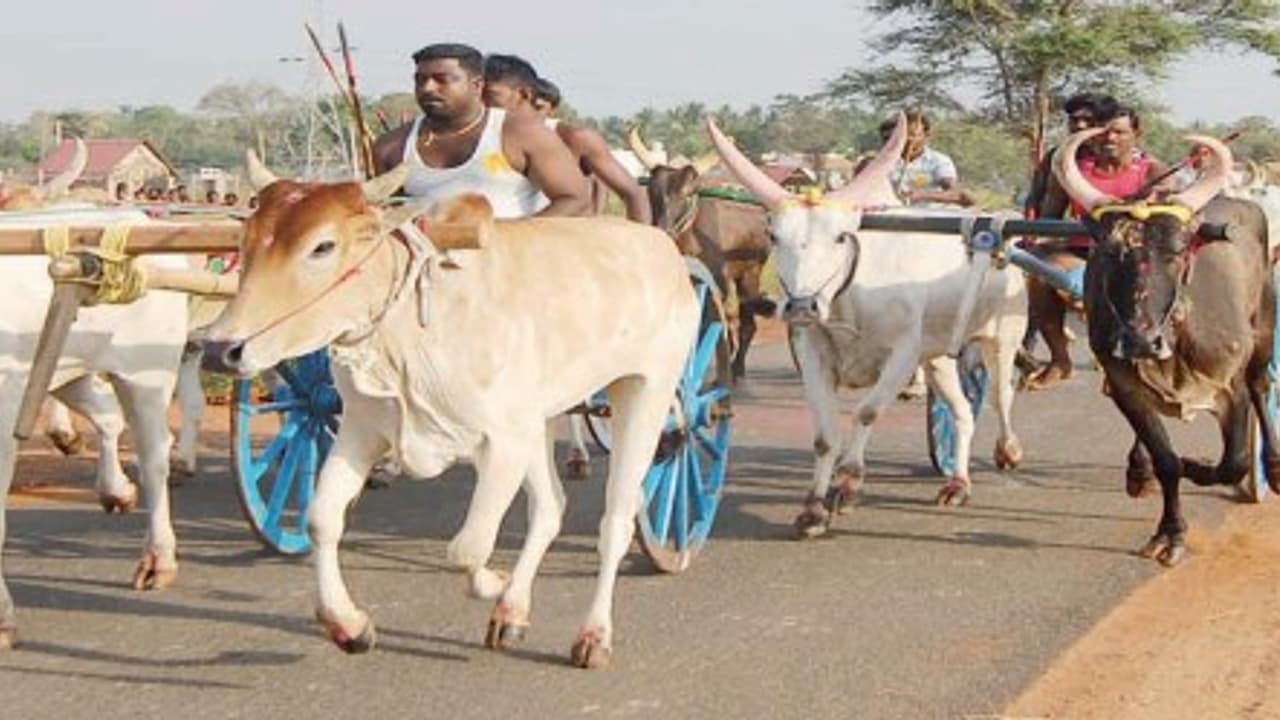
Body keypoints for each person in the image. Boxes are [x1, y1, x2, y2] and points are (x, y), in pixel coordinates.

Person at [1022, 103, 1171, 389]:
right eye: (1103, 132)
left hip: (1134, 256)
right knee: (1038, 274)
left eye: (1119, 132)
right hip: (1084, 252)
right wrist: (1035, 243)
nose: (1110, 138)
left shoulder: (1153, 170)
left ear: (1136, 135)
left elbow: (1169, 219)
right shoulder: (1071, 170)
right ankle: (1059, 359)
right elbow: (1050, 218)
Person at [371, 43, 588, 218]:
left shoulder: (521, 133)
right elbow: (386, 214)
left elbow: (573, 199)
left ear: (477, 86)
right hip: (428, 266)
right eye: (420, 80)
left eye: (441, 80)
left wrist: (509, 240)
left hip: (513, 264)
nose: (428, 88)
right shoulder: (391, 147)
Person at [481, 53, 650, 223]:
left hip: (566, 243)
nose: (483, 105)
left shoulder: (577, 139)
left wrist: (643, 244)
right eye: (479, 98)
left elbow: (633, 194)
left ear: (525, 94)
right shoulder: (479, 140)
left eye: (491, 97)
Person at [884, 110, 974, 208]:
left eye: (913, 135)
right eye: (903, 135)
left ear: (926, 135)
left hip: (928, 218)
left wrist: (922, 195)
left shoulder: (939, 161)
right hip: (890, 216)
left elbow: (959, 195)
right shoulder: (882, 161)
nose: (908, 140)